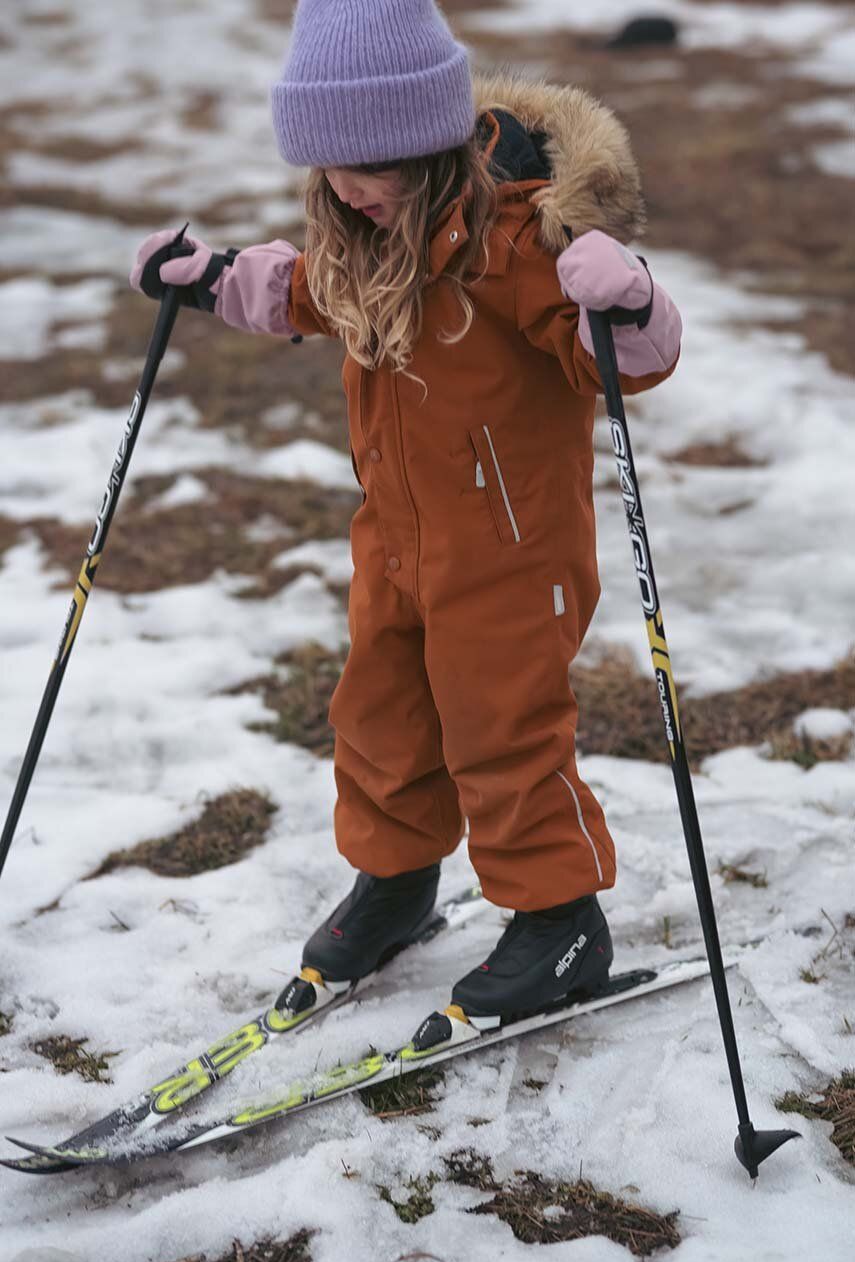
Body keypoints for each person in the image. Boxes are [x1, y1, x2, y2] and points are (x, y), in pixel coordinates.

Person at [131, 0, 682, 1026]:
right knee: (380, 713)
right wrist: (210, 280)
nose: (347, 189)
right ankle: (396, 881)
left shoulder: (519, 241)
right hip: (397, 540)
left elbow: (619, 362)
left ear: (430, 143)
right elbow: (303, 291)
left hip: (515, 552)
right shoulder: (364, 234)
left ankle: (560, 917)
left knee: (501, 728)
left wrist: (631, 303)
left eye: (370, 164)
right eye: (330, 168)